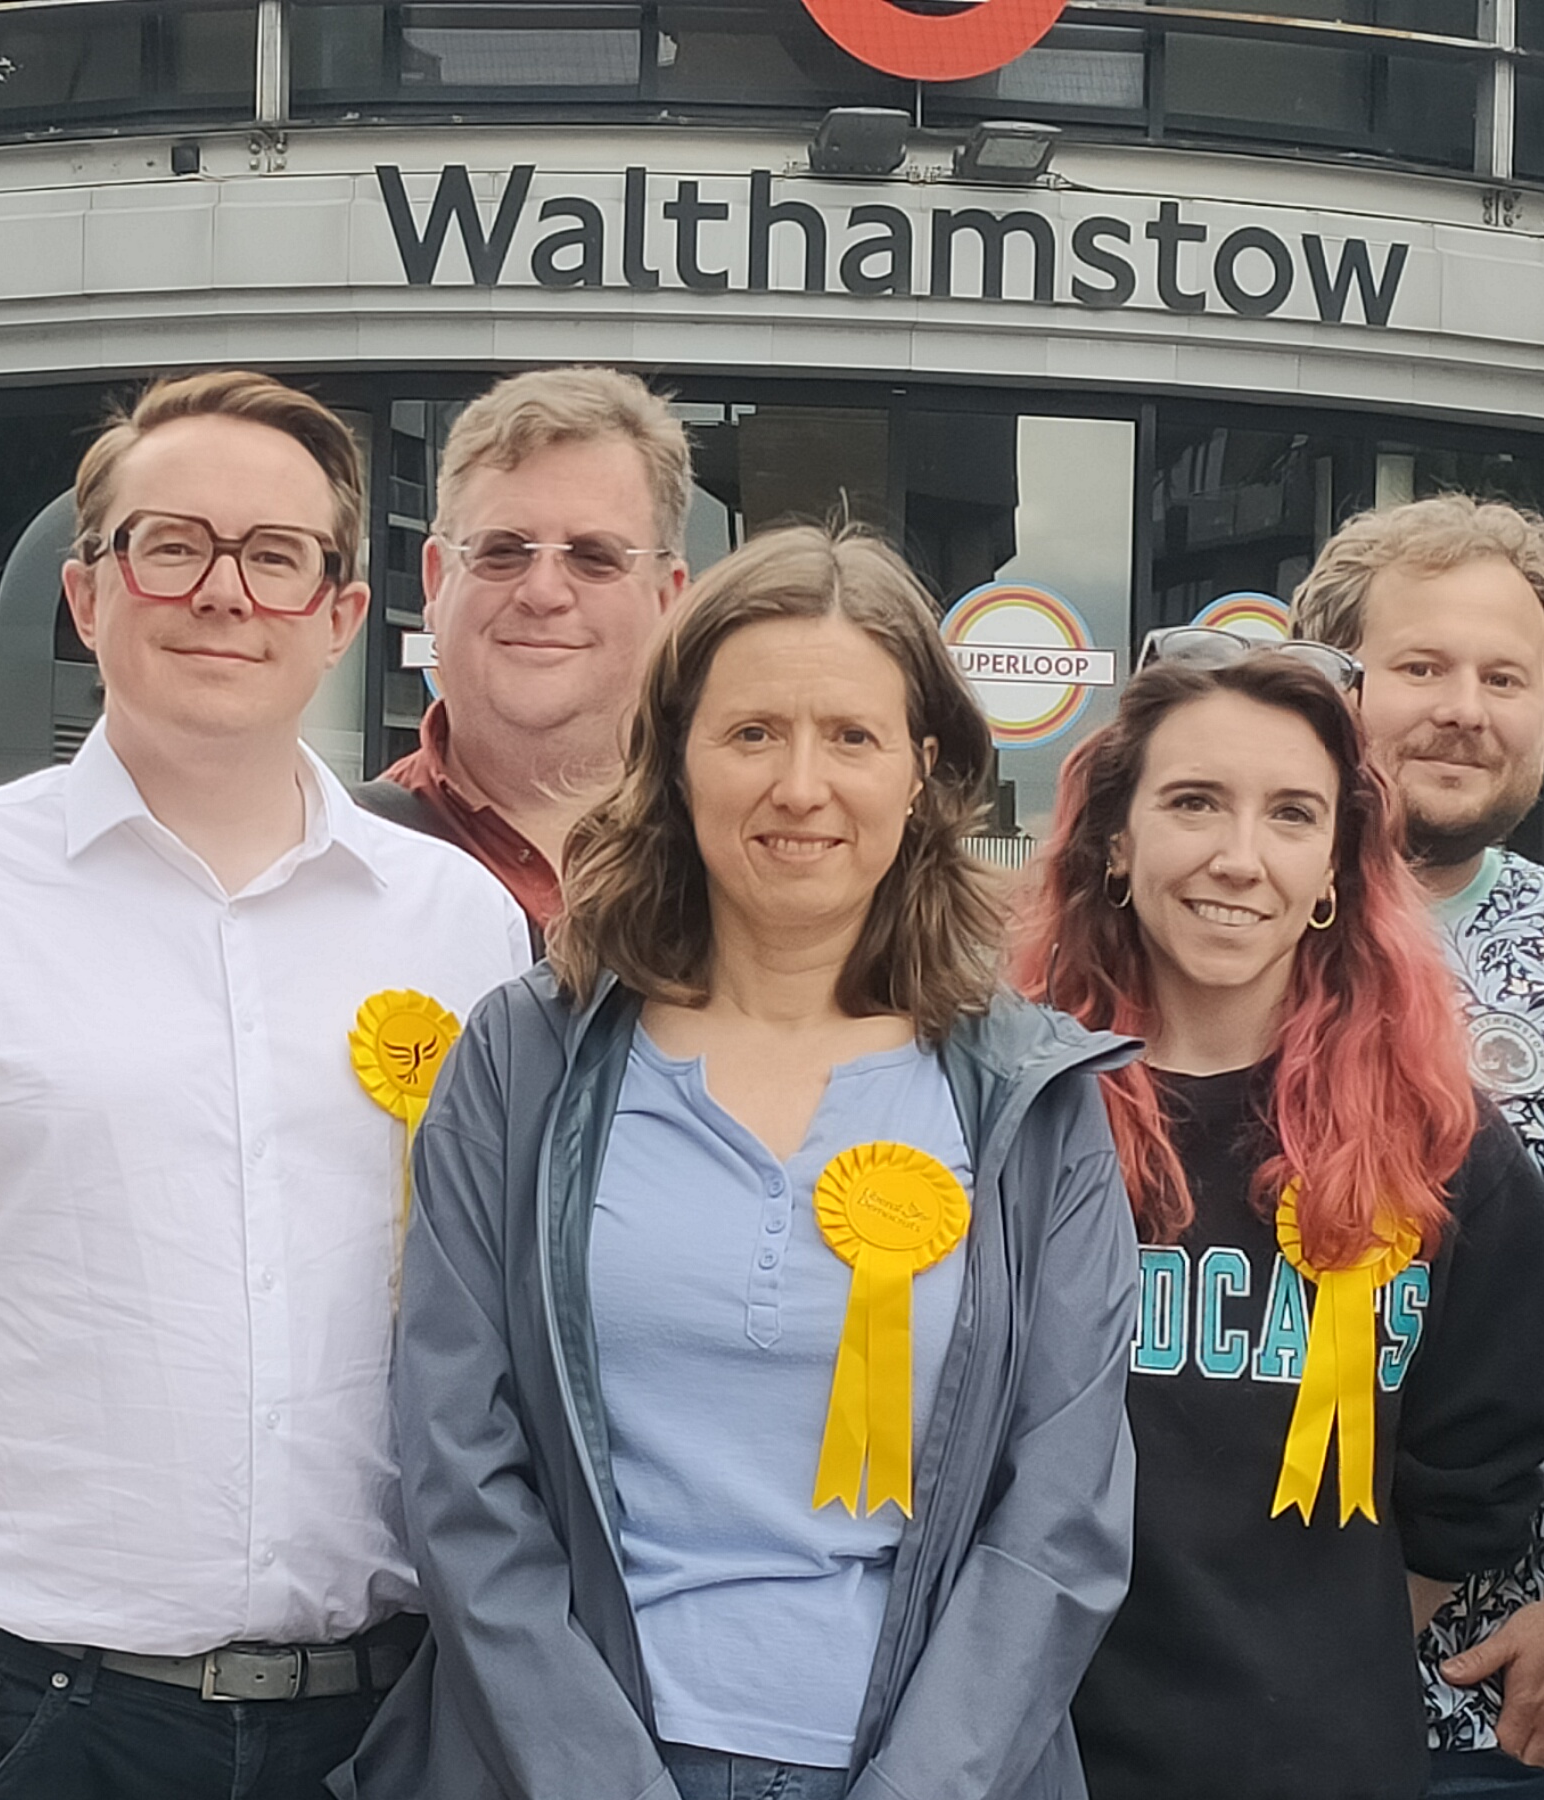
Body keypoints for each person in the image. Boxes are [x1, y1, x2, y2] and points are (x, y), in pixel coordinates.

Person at [0, 371, 530, 1800]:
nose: (223, 592)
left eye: (276, 556)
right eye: (171, 545)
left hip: (381, 1723)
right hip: (7, 1714)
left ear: (337, 614)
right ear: (90, 594)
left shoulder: (459, 925)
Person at [349, 525, 1139, 1800]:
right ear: (674, 760)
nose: (800, 784)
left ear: (925, 771)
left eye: (852, 737)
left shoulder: (1033, 1100)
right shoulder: (523, 1059)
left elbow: (1061, 1514)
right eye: (753, 733)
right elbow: (456, 1461)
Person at [1034, 630, 1544, 1800]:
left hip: (1310, 1760)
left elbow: (1473, 1489)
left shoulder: (1448, 1155)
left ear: (1335, 866)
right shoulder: (1010, 1114)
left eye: (1288, 815)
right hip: (1026, 1756)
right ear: (1116, 843)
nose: (1238, 856)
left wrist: (1304, 1645)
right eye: (1192, 802)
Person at [1291, 498, 1544, 1796]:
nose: (1464, 710)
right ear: (1333, 683)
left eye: (1507, 677)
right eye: (1420, 667)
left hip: (1479, 1702)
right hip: (1184, 1685)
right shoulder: (1216, 925)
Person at [361, 366, 693, 924]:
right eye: (503, 552)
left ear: (668, 599)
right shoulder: (330, 865)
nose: (542, 592)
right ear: (436, 579)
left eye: (593, 557)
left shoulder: (736, 871)